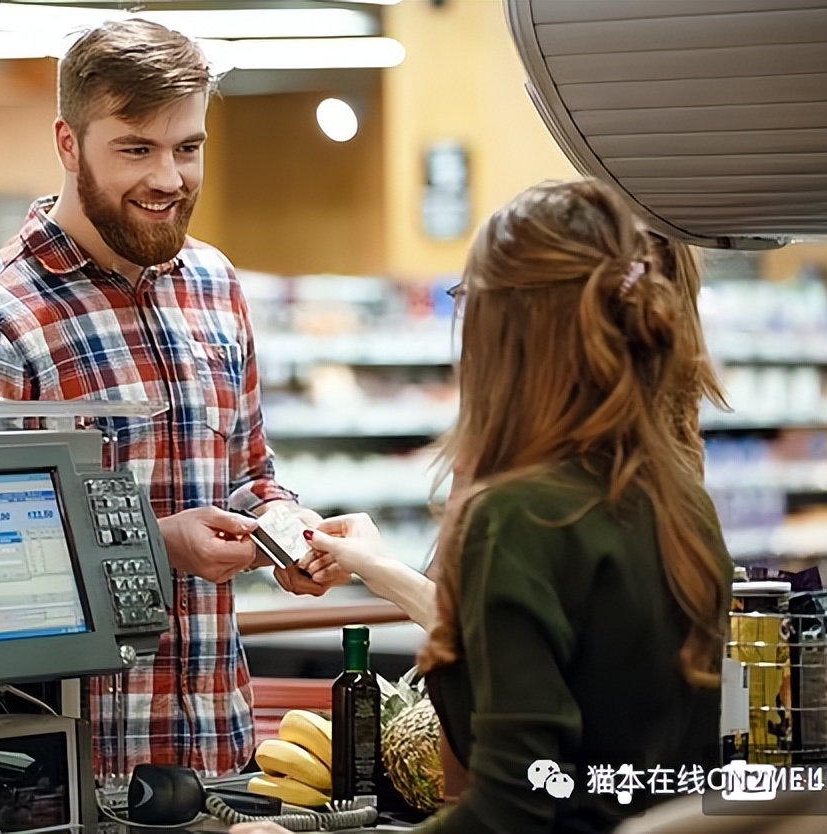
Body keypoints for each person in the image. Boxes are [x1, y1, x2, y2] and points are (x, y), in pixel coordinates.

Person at [241, 179, 733, 834]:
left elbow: (511, 811)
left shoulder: (517, 516)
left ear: (507, 327)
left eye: (469, 299)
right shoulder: (680, 499)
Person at [0, 18, 342, 779]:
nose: (169, 179)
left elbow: (250, 468)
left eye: (188, 148)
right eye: (136, 149)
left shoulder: (215, 286)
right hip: (74, 776)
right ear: (68, 143)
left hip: (225, 755)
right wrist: (156, 545)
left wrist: (285, 526)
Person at [302, 224, 730, 627]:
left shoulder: (558, 486)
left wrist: (383, 572)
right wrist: (380, 566)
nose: (470, 329)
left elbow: (498, 649)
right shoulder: (652, 459)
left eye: (475, 301)